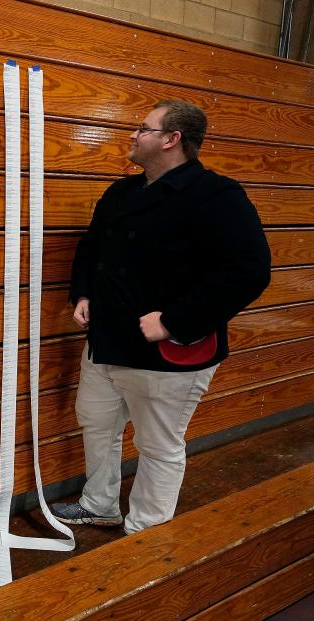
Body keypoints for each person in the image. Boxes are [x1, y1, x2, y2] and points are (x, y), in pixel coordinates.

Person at [50, 100, 271, 534]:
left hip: (168, 352)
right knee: (96, 424)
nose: (133, 135)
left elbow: (249, 271)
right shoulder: (121, 193)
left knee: (157, 445)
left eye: (143, 128)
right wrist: (84, 294)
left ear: (172, 140)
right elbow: (92, 247)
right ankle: (100, 504)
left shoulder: (218, 196)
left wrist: (173, 321)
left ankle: (147, 530)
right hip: (106, 342)